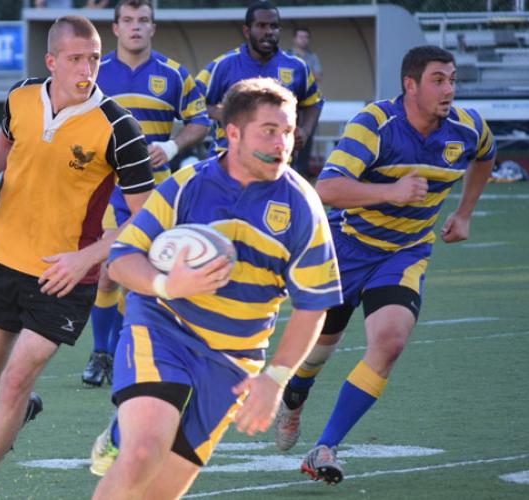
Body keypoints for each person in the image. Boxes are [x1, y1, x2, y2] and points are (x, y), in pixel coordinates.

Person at [90, 77, 342, 498]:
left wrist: (275, 379)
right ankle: (129, 433)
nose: (283, 143)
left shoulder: (303, 206)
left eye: (288, 131)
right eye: (269, 131)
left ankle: (122, 429)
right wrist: (166, 283)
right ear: (233, 133)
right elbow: (121, 259)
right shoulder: (187, 185)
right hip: (164, 329)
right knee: (141, 454)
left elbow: (312, 307)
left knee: (159, 492)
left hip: (232, 359)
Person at [273, 45, 497, 485]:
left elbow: (487, 154)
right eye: (438, 80)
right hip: (347, 247)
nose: (449, 89)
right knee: (321, 347)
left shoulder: (467, 129)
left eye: (452, 79)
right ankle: (296, 395)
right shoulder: (375, 124)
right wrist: (390, 193)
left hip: (404, 254)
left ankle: (325, 448)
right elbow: (328, 188)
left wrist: (466, 211)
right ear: (409, 85)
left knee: (390, 341)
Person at [0, 15, 154, 500]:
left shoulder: (119, 128)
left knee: (16, 378)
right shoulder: (22, 95)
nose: (88, 69)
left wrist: (87, 258)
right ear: (51, 62)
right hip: (1, 260)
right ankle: (21, 409)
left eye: (94, 58)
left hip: (64, 279)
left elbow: (148, 219)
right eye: (76, 59)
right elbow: (5, 138)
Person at [82, 0, 210, 387]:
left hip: (156, 192)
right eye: (128, 20)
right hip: (108, 188)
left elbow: (200, 121)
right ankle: (100, 352)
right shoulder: (95, 74)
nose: (135, 27)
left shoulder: (174, 74)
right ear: (115, 28)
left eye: (143, 20)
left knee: (141, 273)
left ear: (153, 27)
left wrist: (172, 148)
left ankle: (125, 350)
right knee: (108, 272)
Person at [196, 1, 322, 168]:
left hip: (277, 167)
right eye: (261, 26)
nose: (269, 31)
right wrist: (226, 113)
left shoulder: (297, 67)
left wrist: (305, 130)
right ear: (247, 31)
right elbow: (194, 102)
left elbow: (314, 102)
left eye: (274, 26)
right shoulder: (223, 65)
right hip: (228, 166)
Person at [286, 26, 322, 179]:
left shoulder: (312, 57)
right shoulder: (287, 56)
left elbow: (317, 75)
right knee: (289, 132)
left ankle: (303, 169)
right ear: (295, 39)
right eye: (301, 37)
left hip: (307, 102)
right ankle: (289, 166)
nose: (303, 40)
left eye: (306, 37)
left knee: (307, 134)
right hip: (290, 101)